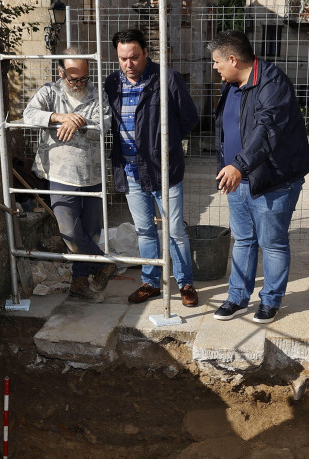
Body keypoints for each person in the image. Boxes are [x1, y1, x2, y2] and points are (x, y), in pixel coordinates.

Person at [208, 30, 309, 324]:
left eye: (217, 62)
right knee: (242, 240)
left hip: (272, 181)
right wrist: (229, 167)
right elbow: (227, 130)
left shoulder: (273, 83)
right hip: (237, 179)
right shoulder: (232, 84)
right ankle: (238, 298)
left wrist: (239, 165)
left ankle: (271, 301)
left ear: (232, 58)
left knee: (272, 242)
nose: (214, 67)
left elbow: (267, 130)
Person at [105, 29, 200, 307]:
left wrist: (163, 145)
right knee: (144, 229)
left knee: (174, 230)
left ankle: (185, 283)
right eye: (123, 58)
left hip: (163, 169)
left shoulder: (166, 78)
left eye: (134, 57)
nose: (129, 64)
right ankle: (151, 282)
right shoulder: (112, 83)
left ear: (146, 53)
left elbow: (189, 118)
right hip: (129, 168)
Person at [23, 48, 115, 302]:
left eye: (84, 78)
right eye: (73, 79)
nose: (79, 83)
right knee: (71, 233)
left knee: (90, 232)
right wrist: (59, 116)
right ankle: (103, 263)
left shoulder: (98, 95)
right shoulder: (50, 92)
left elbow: (105, 125)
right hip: (61, 173)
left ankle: (79, 283)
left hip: (93, 173)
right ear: (61, 73)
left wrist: (79, 121)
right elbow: (28, 115)